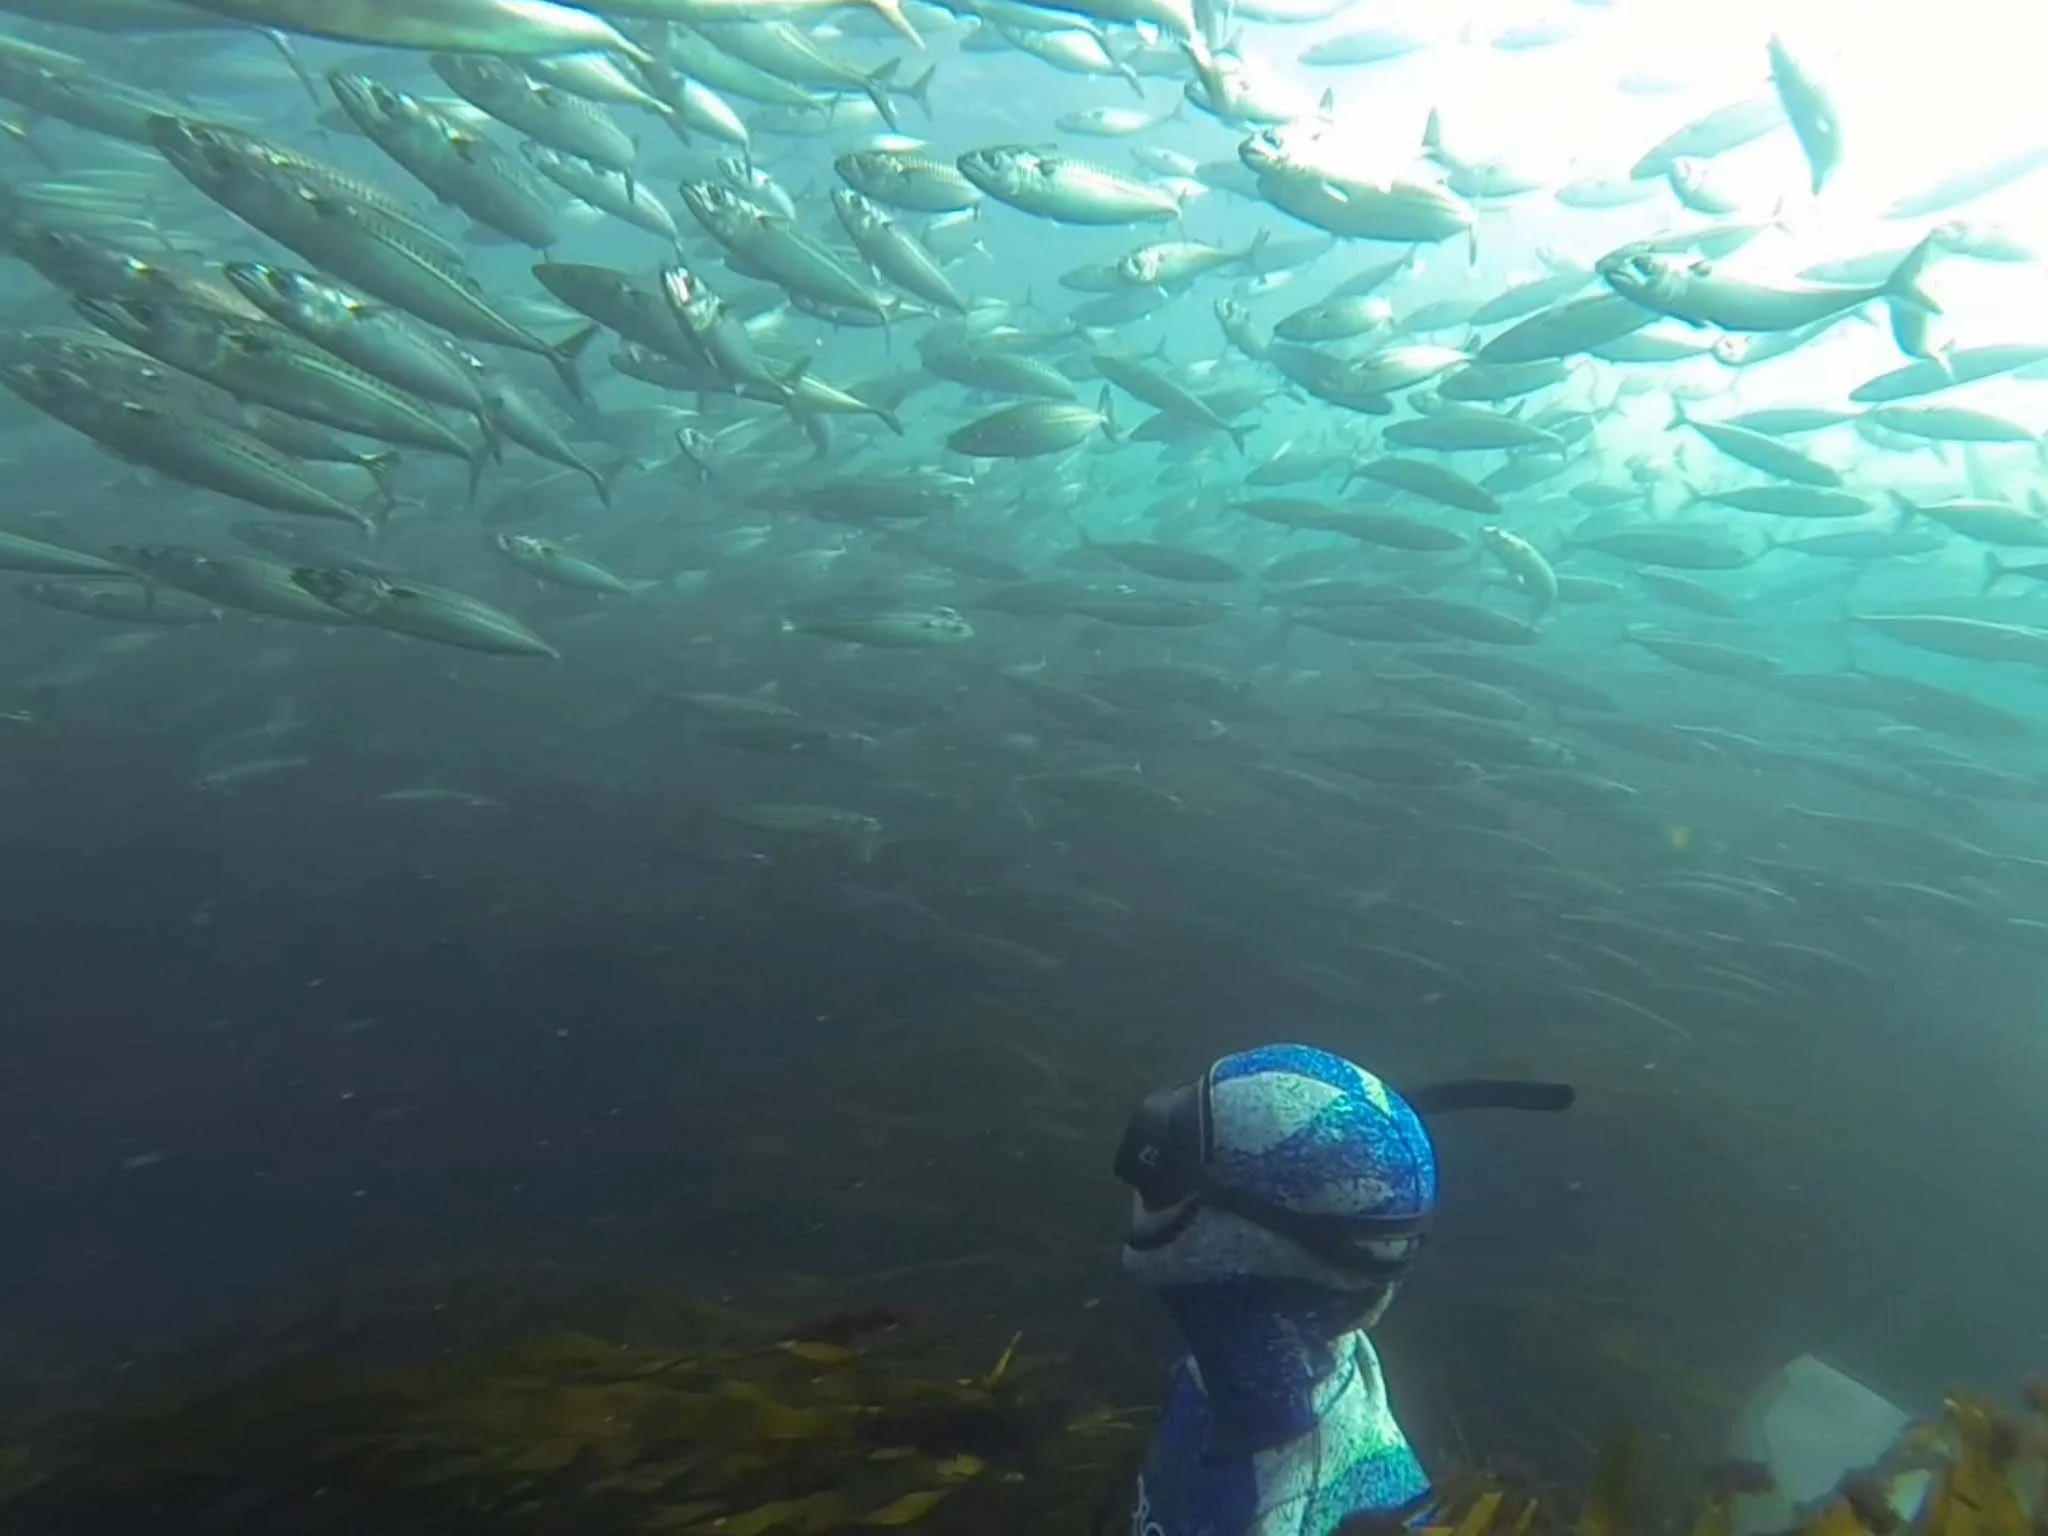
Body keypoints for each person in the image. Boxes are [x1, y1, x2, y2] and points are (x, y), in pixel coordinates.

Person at [1113, 1043, 1574, 1536]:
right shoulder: (1233, 1355)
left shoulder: (1304, 1513)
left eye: (1159, 1174)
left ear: (1251, 1250)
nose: (1131, 1180)